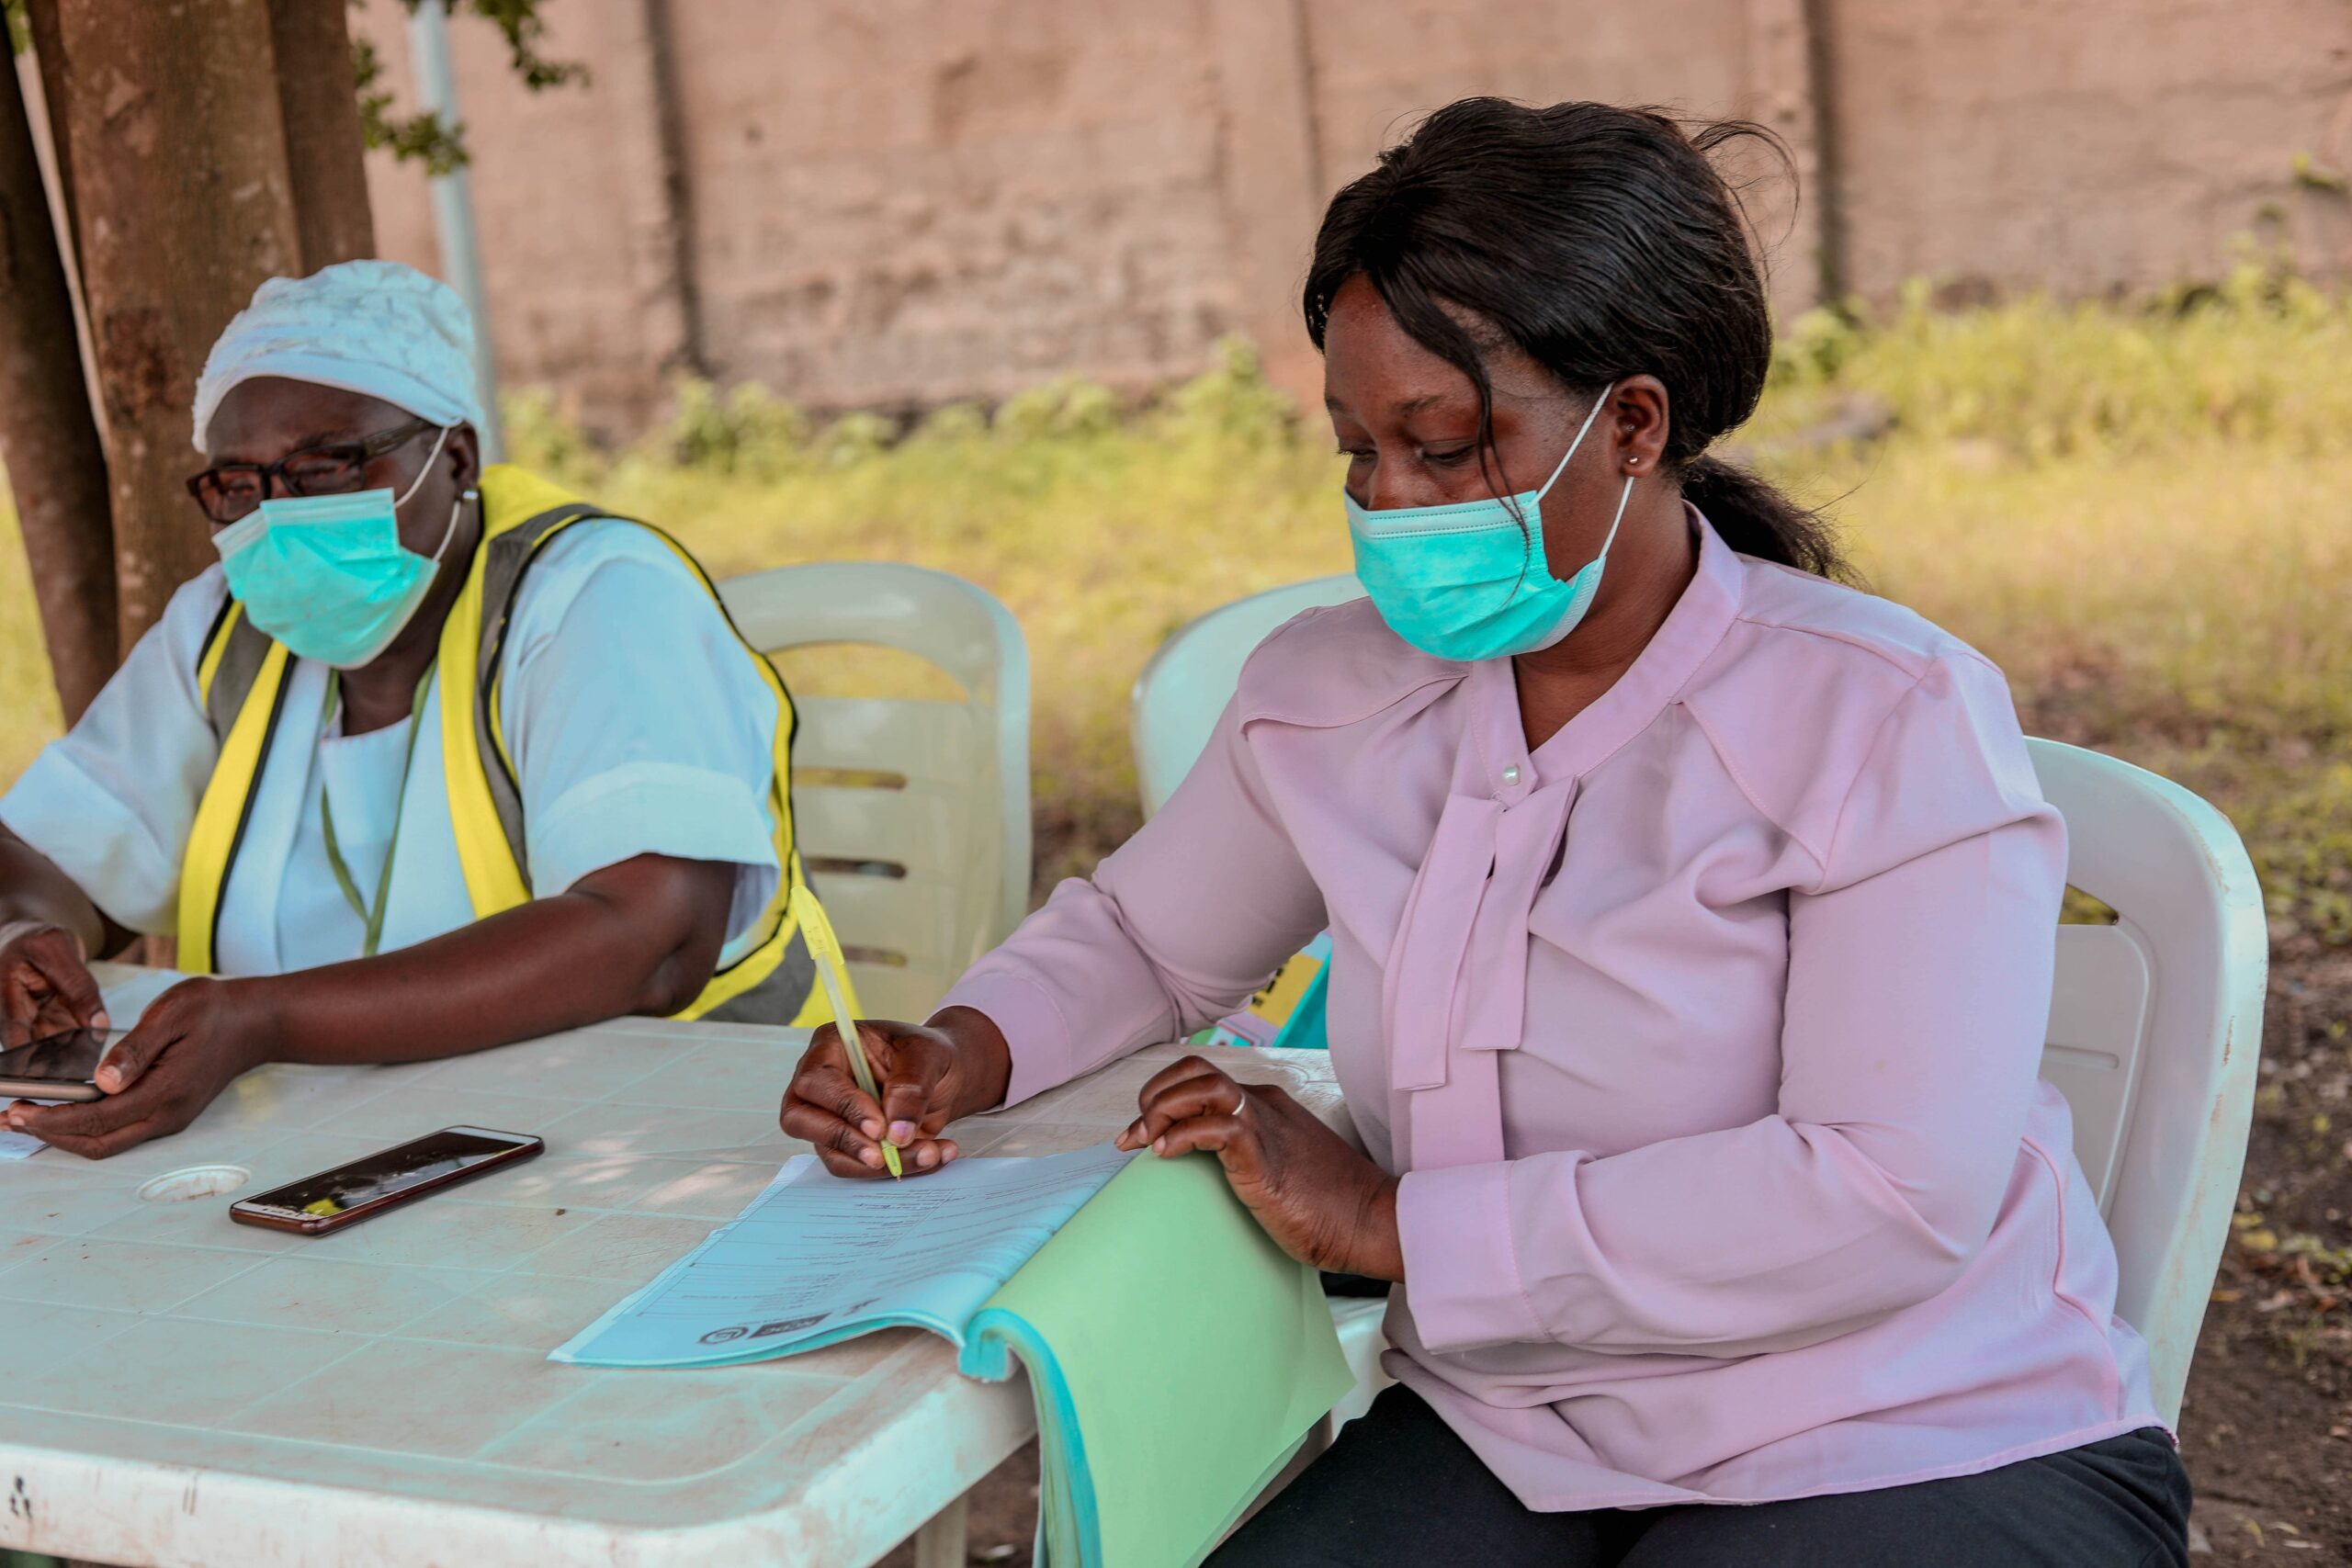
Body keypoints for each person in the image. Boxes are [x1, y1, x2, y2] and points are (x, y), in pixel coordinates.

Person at [781, 100, 2190, 1565]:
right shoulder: (1329, 697)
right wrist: (957, 1048)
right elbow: (1146, 937)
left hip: (1909, 1431)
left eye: (1446, 447)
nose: (1390, 502)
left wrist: (1392, 1222)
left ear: (1633, 424)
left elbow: (1888, 1191)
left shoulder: (1883, 718)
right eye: (1356, 450)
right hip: (1519, 1428)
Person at [1, 259, 830, 1159]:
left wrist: (268, 1019)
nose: (279, 518)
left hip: (676, 1141)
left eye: (325, 465)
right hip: (333, 1152)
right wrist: (20, 934)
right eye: (239, 484)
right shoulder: (224, 630)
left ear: (457, 456)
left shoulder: (595, 598)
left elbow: (650, 935)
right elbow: (52, 855)